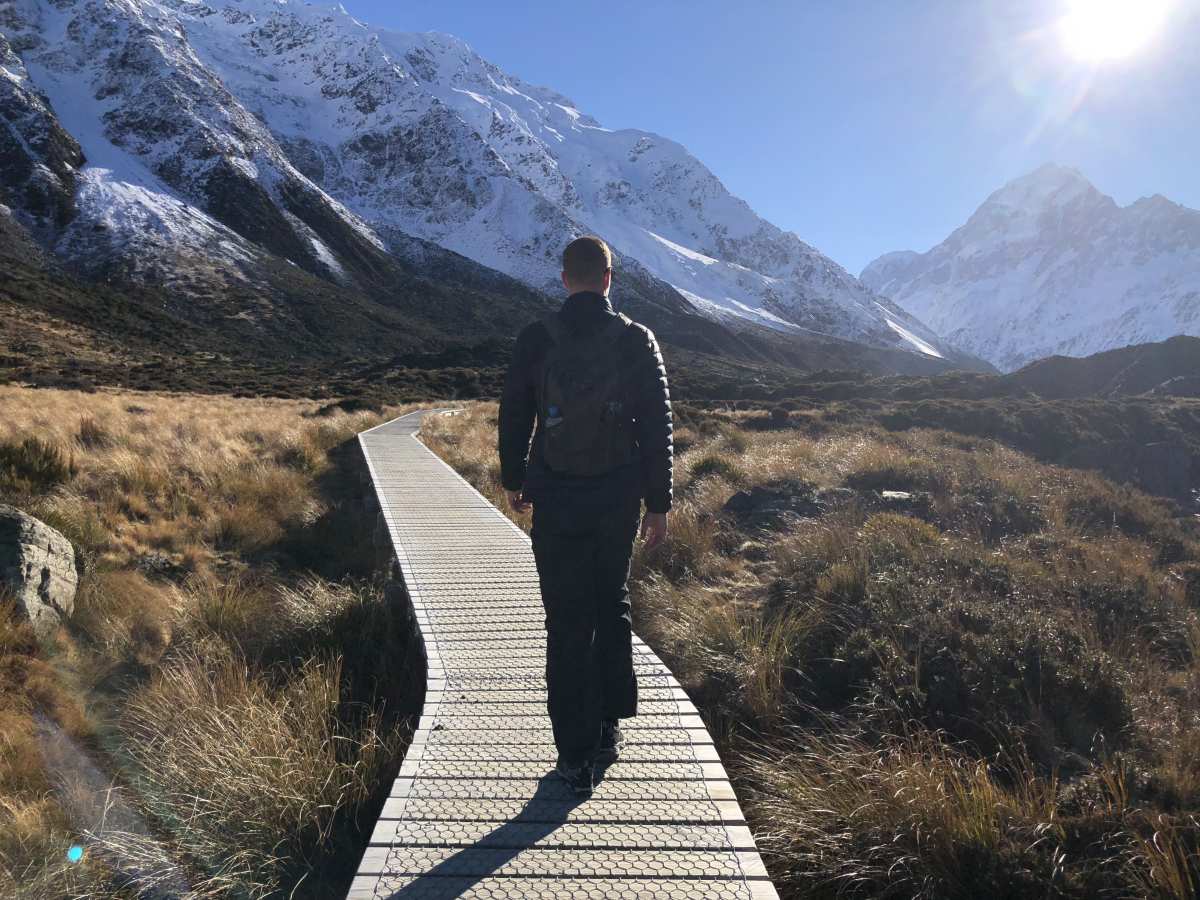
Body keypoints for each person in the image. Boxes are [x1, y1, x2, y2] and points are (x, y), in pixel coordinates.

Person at [498, 235, 673, 797]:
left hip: (556, 495)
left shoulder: (536, 337)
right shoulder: (635, 339)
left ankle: (572, 753)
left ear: (564, 278)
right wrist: (659, 502)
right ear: (608, 278)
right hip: (618, 497)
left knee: (566, 618)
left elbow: (514, 411)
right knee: (610, 601)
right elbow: (655, 424)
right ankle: (609, 724)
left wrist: (514, 478)